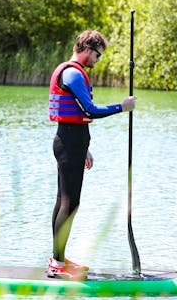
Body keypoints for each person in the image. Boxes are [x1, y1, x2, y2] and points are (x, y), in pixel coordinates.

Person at [47, 30, 137, 280]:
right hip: (68, 143)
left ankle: (59, 259)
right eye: (97, 55)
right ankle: (56, 264)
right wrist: (122, 107)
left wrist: (83, 147)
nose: (97, 60)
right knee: (70, 203)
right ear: (87, 49)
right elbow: (90, 110)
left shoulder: (72, 72)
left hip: (72, 142)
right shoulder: (74, 73)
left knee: (64, 201)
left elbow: (76, 115)